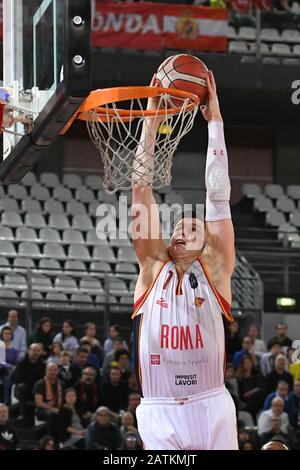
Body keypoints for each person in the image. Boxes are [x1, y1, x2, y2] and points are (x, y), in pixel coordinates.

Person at [130, 71, 238, 450]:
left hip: (211, 403)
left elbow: (219, 195)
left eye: (192, 227)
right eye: (177, 227)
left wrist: (216, 124)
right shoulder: (152, 270)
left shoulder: (218, 273)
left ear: (207, 242)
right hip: (159, 410)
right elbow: (141, 190)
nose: (180, 231)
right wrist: (151, 121)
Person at [12, 343, 45, 423]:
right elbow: (17, 378)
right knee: (22, 386)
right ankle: (22, 414)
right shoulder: (21, 364)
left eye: (38, 351)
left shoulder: (43, 365)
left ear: (40, 352)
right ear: (28, 351)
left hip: (36, 390)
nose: (35, 352)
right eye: (34, 350)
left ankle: (41, 414)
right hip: (23, 390)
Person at [34, 362, 65, 434]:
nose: (52, 372)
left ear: (57, 371)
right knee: (51, 414)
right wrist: (52, 409)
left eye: (54, 370)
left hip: (58, 408)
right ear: (46, 371)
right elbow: (38, 403)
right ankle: (49, 436)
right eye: (50, 370)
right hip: (43, 410)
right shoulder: (40, 384)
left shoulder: (62, 383)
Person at [236, 354, 264, 420]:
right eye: (245, 363)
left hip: (256, 401)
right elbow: (242, 395)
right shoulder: (239, 379)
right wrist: (253, 391)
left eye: (249, 362)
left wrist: (252, 392)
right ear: (242, 364)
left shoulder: (256, 377)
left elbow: (260, 389)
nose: (247, 364)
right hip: (245, 402)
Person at [0, 327, 19, 404]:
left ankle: (6, 403)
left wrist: (13, 368)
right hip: (2, 369)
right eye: (5, 333)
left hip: (8, 372)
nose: (7, 335)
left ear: (11, 335)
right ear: (2, 335)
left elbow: (16, 363)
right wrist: (10, 367)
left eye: (9, 333)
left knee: (9, 379)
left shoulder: (15, 350)